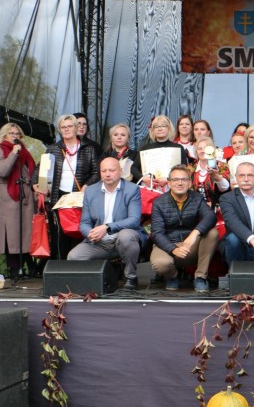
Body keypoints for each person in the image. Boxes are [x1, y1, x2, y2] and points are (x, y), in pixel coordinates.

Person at [67, 157, 147, 290]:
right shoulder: (91, 191)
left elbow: (134, 219)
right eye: (104, 171)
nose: (107, 174)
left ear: (120, 171)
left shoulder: (132, 189)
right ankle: (95, 281)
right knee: (74, 256)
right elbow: (85, 222)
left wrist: (107, 227)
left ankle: (131, 277)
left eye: (111, 170)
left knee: (126, 236)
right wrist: (91, 234)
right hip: (99, 242)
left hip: (122, 239)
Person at [34, 114, 101, 259]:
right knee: (60, 233)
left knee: (80, 230)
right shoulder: (53, 149)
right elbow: (39, 169)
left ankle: (79, 264)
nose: (66, 129)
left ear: (76, 128)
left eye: (70, 126)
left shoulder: (88, 149)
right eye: (63, 127)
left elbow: (97, 173)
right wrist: (36, 184)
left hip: (80, 196)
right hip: (58, 196)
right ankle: (60, 265)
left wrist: (86, 186)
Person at [150, 164, 219, 292]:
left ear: (189, 183)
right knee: (161, 264)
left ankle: (200, 277)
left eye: (184, 179)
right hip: (168, 244)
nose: (180, 183)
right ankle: (173, 277)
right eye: (175, 180)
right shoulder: (158, 202)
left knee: (212, 233)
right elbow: (157, 233)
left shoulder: (197, 198)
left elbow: (211, 217)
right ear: (169, 183)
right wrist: (173, 249)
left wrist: (193, 234)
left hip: (190, 245)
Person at [0, 123, 36, 279]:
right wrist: (13, 154)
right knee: (10, 232)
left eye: (18, 134)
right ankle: (14, 269)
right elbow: (2, 170)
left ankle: (29, 267)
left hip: (25, 195)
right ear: (4, 136)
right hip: (8, 196)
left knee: (25, 232)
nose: (16, 136)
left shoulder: (25, 153)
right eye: (12, 133)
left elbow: (32, 171)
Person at [138, 115, 190, 190]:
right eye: (156, 127)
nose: (160, 129)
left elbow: (184, 169)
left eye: (163, 126)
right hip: (150, 188)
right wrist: (143, 178)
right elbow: (134, 168)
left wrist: (169, 179)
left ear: (169, 129)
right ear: (152, 130)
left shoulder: (178, 148)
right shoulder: (145, 148)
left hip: (171, 187)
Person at [189, 137, 231, 208]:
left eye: (206, 148)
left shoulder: (221, 166)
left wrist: (216, 176)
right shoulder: (190, 168)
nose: (202, 151)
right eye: (199, 149)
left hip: (217, 209)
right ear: (196, 151)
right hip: (196, 209)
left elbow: (225, 188)